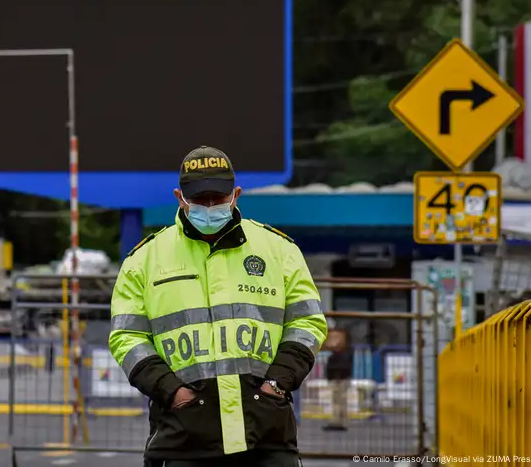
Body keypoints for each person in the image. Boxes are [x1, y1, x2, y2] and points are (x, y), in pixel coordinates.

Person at [107, 146, 328, 467]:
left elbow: (308, 323)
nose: (209, 207)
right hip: (183, 437)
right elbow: (126, 338)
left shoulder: (279, 250)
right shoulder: (144, 260)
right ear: (179, 197)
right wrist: (173, 393)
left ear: (236, 194)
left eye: (218, 198)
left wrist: (275, 386)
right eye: (199, 199)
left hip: (265, 435)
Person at [322, 324, 353, 432]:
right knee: (340, 400)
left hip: (339, 378)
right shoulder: (343, 351)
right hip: (341, 377)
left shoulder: (342, 352)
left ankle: (337, 422)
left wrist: (334, 375)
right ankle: (341, 421)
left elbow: (340, 365)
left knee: (338, 400)